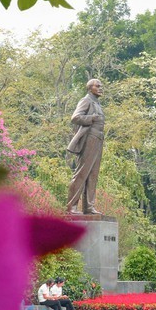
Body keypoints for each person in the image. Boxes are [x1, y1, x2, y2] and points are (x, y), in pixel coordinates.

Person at [66, 79, 105, 215]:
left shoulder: (97, 103)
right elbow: (75, 117)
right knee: (82, 173)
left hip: (98, 139)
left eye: (101, 86)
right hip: (89, 139)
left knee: (93, 174)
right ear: (90, 88)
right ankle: (71, 207)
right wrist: (91, 118)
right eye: (97, 86)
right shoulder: (86, 100)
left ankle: (89, 206)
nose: (101, 88)